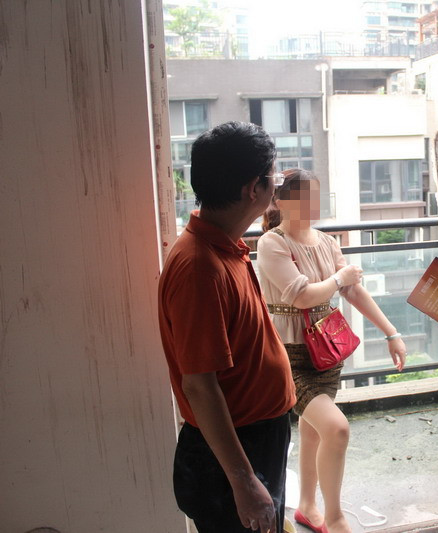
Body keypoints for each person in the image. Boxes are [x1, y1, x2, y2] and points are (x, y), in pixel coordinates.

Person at [158, 121, 296, 533]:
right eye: (273, 177)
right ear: (253, 188)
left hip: (253, 440)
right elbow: (199, 385)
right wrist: (244, 480)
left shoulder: (225, 246)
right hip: (233, 453)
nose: (277, 185)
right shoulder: (200, 268)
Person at [256, 168, 407, 533]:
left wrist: (391, 333)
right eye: (302, 197)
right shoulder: (272, 243)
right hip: (288, 355)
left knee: (313, 431)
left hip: (326, 351)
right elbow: (302, 295)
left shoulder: (326, 242)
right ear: (281, 201)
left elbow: (353, 291)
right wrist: (340, 279)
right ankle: (336, 517)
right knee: (336, 429)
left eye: (314, 196)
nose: (311, 204)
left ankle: (308, 507)